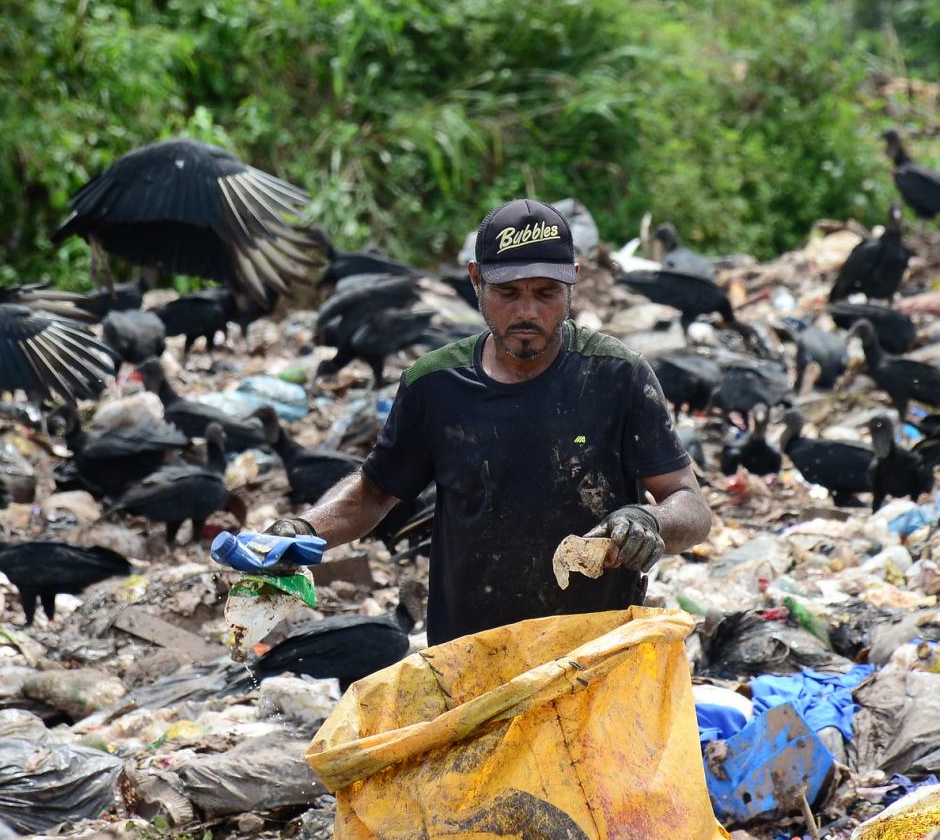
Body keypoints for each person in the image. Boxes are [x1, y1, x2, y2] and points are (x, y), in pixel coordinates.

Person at [268, 198, 712, 645]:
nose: (527, 312)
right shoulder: (434, 385)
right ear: (476, 279)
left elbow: (688, 503)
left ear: (573, 280)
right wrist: (302, 531)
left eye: (546, 293)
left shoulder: (617, 376)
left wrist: (649, 521)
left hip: (596, 652)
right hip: (470, 653)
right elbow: (374, 492)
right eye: (508, 293)